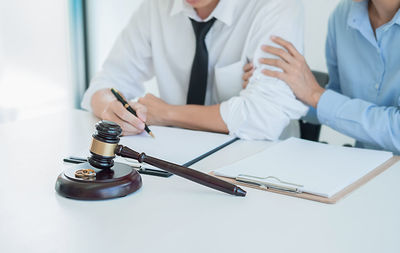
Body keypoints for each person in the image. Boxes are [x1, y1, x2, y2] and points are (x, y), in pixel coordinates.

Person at [81, 0, 308, 139]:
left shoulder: (276, 6)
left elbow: (265, 117)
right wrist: (109, 107)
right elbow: (107, 82)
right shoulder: (155, 7)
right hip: (178, 156)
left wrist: (168, 113)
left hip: (258, 162)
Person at [243, 0, 400, 154]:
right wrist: (282, 87)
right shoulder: (342, 16)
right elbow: (338, 101)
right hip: (366, 165)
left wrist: (315, 95)